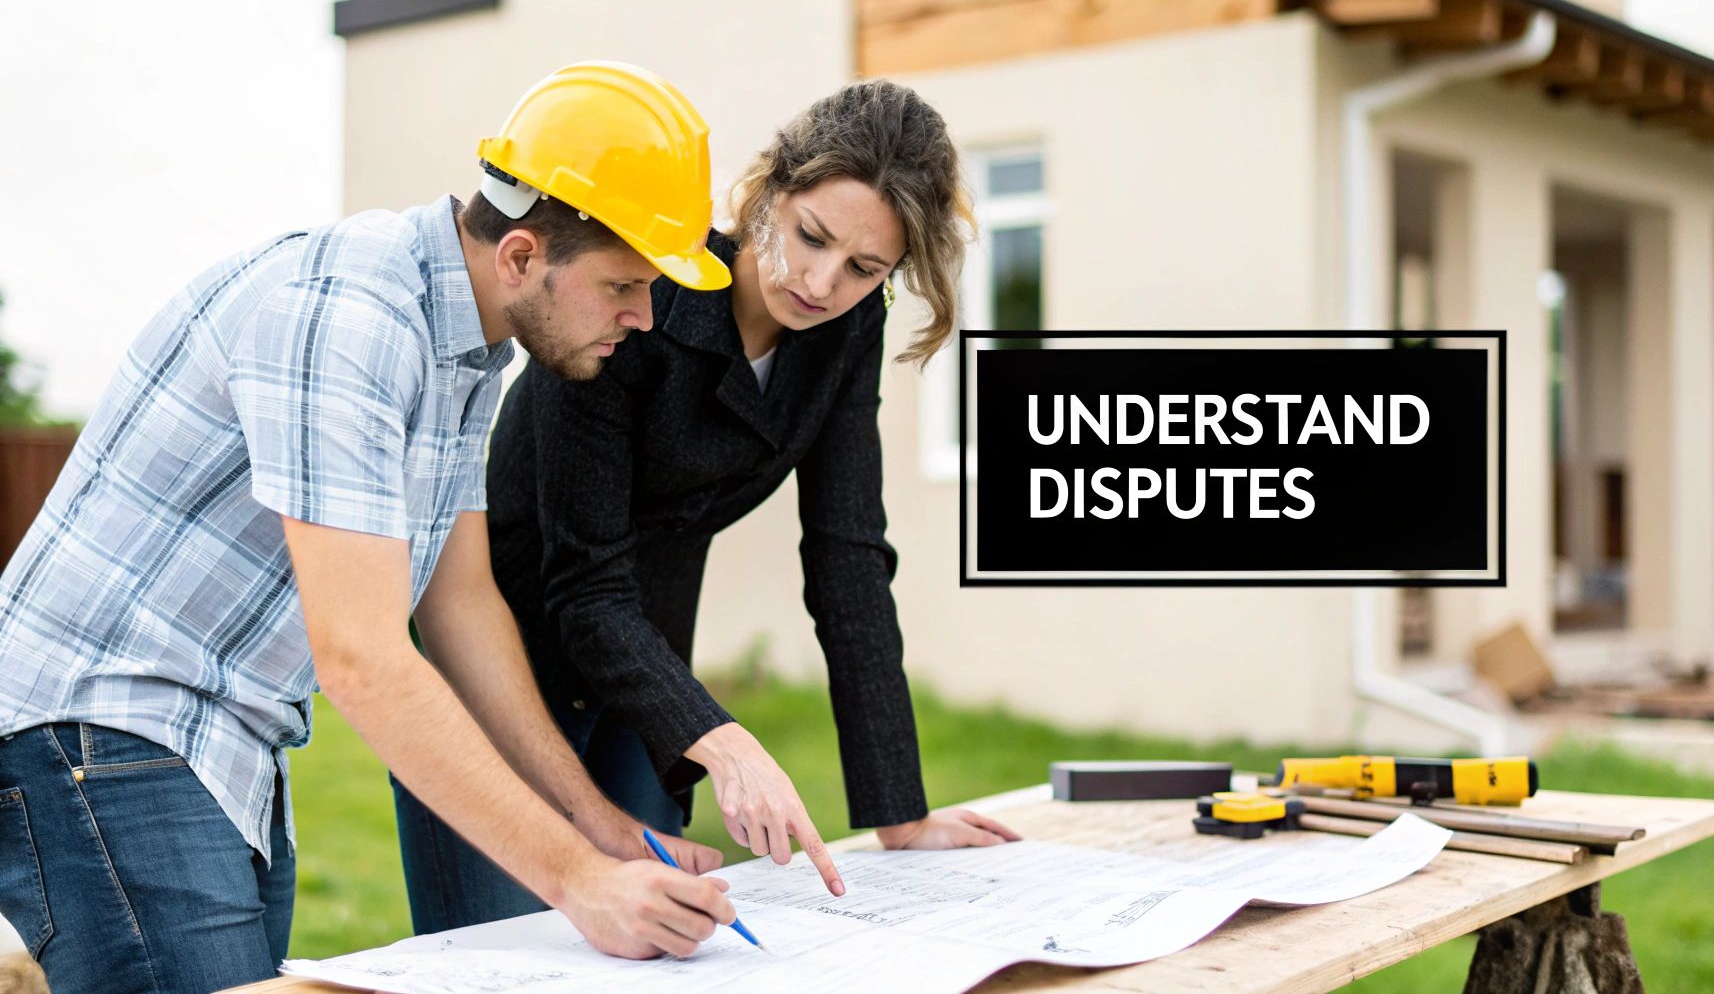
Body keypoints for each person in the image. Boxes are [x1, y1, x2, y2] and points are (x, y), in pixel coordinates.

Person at [0, 62, 742, 994]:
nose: (643, 315)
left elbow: (461, 604)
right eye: (625, 284)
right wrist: (580, 885)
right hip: (101, 726)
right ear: (520, 257)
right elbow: (362, 658)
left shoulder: (470, 349)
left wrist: (602, 829)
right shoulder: (350, 317)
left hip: (222, 740)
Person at [394, 78, 1022, 933]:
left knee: (662, 948)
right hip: (505, 660)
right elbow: (583, 582)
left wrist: (898, 811)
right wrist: (720, 739)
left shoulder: (846, 330)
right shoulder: (637, 295)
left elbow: (848, 553)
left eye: (864, 268)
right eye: (811, 236)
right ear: (767, 192)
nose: (822, 282)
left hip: (644, 676)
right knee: (503, 959)